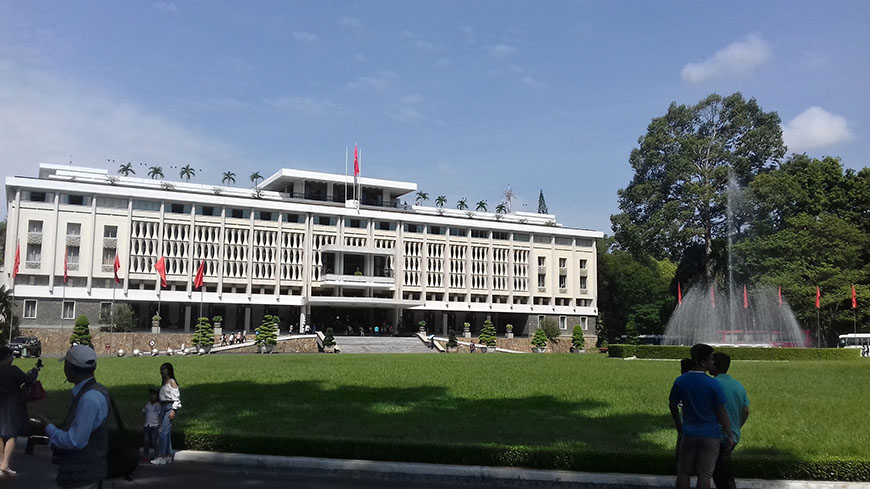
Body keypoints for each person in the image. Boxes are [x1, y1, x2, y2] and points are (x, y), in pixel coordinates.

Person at [39, 345, 109, 489]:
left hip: (82, 476)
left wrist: (49, 428)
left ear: (70, 368)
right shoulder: (95, 392)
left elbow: (75, 441)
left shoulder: (88, 398)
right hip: (87, 473)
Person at [669, 344, 734, 489]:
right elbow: (721, 412)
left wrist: (679, 424)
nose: (713, 362)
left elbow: (672, 405)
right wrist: (729, 434)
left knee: (684, 471)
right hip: (710, 434)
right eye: (711, 359)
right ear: (703, 362)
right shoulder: (713, 384)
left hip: (689, 433)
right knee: (705, 474)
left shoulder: (681, 381)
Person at [710, 353, 750, 489]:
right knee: (725, 469)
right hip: (734, 435)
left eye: (711, 361)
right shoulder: (738, 385)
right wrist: (736, 426)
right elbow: (746, 411)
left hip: (717, 435)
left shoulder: (712, 384)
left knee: (717, 473)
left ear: (715, 366)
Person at [0, 346, 40, 476]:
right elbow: (28, 380)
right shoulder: (13, 370)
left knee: (0, 434)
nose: (12, 358)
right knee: (11, 434)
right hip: (12, 405)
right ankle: (5, 464)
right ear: (7, 357)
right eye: (11, 356)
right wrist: (35, 371)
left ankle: (0, 463)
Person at [152, 362, 181, 465]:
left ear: (169, 370)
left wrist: (173, 410)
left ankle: (162, 455)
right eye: (161, 369)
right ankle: (168, 455)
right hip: (163, 406)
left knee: (163, 432)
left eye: (164, 369)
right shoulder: (164, 382)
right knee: (166, 432)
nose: (162, 371)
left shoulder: (172, 382)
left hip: (169, 407)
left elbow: (176, 398)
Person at [142, 388, 161, 461]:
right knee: (146, 441)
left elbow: (159, 416)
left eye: (154, 395)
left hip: (154, 425)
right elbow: (144, 413)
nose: (152, 396)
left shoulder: (158, 406)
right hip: (147, 425)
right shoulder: (147, 405)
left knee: (154, 441)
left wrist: (159, 425)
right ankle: (145, 454)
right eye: (151, 395)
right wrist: (142, 423)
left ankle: (156, 455)